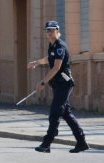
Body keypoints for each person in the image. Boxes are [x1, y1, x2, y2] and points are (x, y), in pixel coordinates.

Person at [27, 21, 89, 153]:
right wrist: (36, 62)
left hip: (64, 83)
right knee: (66, 113)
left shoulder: (60, 46)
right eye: (47, 31)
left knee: (55, 112)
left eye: (52, 30)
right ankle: (81, 142)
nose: (49, 33)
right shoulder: (52, 46)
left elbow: (56, 67)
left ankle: (46, 143)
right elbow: (49, 58)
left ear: (57, 30)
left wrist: (42, 82)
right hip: (58, 84)